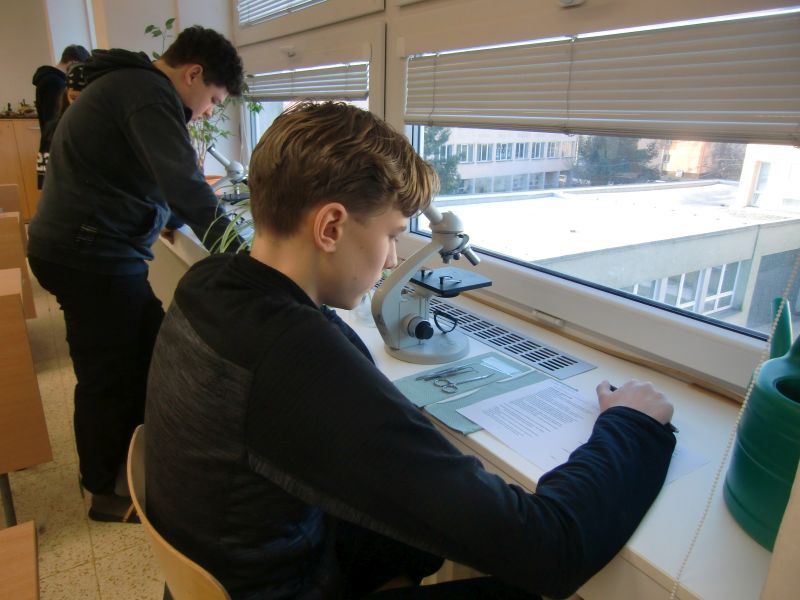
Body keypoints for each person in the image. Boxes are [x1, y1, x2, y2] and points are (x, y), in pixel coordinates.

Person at [145, 101, 676, 599]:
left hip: (240, 556)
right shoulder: (292, 360)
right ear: (330, 227)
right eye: (393, 235)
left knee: (425, 533)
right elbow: (551, 549)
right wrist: (630, 427)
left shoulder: (212, 284)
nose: (393, 258)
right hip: (290, 581)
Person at [27, 26, 245, 523]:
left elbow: (136, 174)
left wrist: (165, 219)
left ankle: (139, 467)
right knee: (109, 375)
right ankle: (105, 491)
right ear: (193, 74)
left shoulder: (127, 85)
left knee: (149, 352)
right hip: (89, 254)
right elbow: (183, 183)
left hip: (87, 249)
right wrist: (240, 255)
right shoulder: (148, 93)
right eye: (213, 100)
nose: (208, 112)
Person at [33, 44, 90, 178]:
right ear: (73, 62)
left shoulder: (48, 79)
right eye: (74, 97)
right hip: (56, 144)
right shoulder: (55, 82)